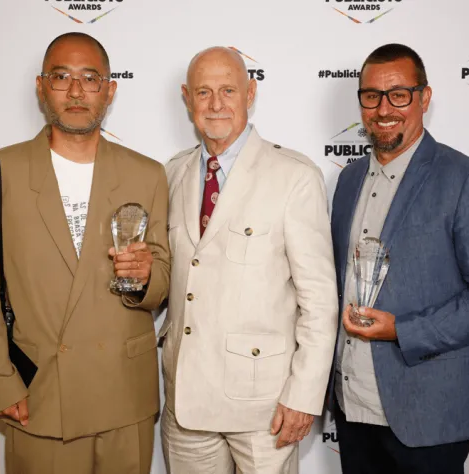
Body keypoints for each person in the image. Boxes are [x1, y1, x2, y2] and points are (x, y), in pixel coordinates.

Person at [160, 46, 338, 474]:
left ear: (250, 92)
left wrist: (303, 395)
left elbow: (319, 299)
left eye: (228, 90)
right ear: (187, 98)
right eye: (203, 92)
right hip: (186, 405)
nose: (216, 104)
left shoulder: (294, 176)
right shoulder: (173, 173)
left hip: (265, 409)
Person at [0, 32, 170, 474]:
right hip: (38, 396)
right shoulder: (6, 170)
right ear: (41, 86)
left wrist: (149, 275)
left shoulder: (147, 173)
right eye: (61, 76)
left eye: (90, 78)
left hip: (124, 398)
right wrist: (3, 381)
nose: (75, 91)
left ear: (109, 90)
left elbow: (164, 275)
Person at [330, 43, 469, 474]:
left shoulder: (461, 178)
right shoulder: (348, 179)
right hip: (353, 411)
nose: (383, 108)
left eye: (399, 94)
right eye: (371, 96)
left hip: (426, 418)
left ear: (424, 98)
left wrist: (402, 330)